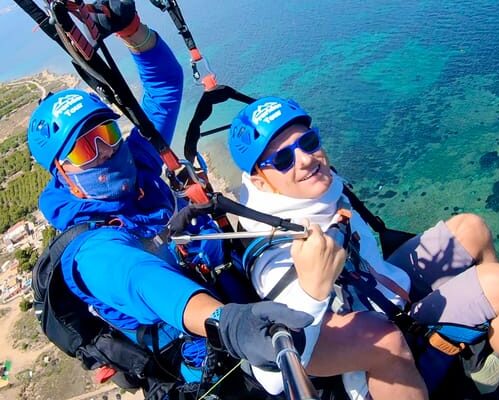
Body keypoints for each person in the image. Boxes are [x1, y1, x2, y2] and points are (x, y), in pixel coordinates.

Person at [26, 2, 346, 397]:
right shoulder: (91, 250)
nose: (106, 154)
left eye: (107, 136)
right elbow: (144, 281)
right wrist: (226, 321)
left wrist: (132, 31)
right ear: (62, 172)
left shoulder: (138, 163)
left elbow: (164, 86)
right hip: (211, 364)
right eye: (83, 151)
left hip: (236, 291)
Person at [227, 96, 499, 400]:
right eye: (283, 158)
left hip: (385, 287)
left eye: (308, 142)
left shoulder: (320, 194)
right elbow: (277, 371)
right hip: (381, 326)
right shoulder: (276, 251)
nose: (307, 159)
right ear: (260, 181)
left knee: (471, 228)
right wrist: (313, 291)